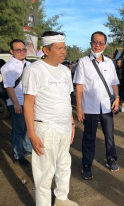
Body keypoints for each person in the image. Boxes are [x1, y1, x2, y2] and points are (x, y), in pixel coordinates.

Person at [22, 31, 78, 206]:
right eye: (59, 48)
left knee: (64, 164)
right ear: (46, 50)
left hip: (64, 127)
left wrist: (71, 122)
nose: (63, 51)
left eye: (64, 48)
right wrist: (31, 133)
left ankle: (62, 198)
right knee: (44, 173)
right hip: (45, 128)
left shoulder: (65, 71)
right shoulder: (34, 70)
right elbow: (28, 103)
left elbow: (66, 99)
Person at [74, 31, 120, 180]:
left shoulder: (109, 63)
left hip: (107, 106)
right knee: (89, 137)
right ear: (90, 43)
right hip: (90, 107)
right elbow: (79, 86)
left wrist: (117, 98)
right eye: (95, 42)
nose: (97, 45)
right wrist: (79, 108)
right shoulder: (83, 62)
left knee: (109, 135)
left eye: (101, 43)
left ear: (105, 45)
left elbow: (114, 83)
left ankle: (111, 159)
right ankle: (86, 165)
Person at [1, 39, 32, 166]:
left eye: (23, 49)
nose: (21, 52)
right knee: (18, 130)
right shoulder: (7, 67)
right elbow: (9, 87)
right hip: (17, 102)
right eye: (18, 50)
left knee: (28, 128)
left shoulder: (30, 64)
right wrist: (16, 104)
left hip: (30, 102)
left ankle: (29, 150)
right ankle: (18, 155)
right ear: (11, 51)